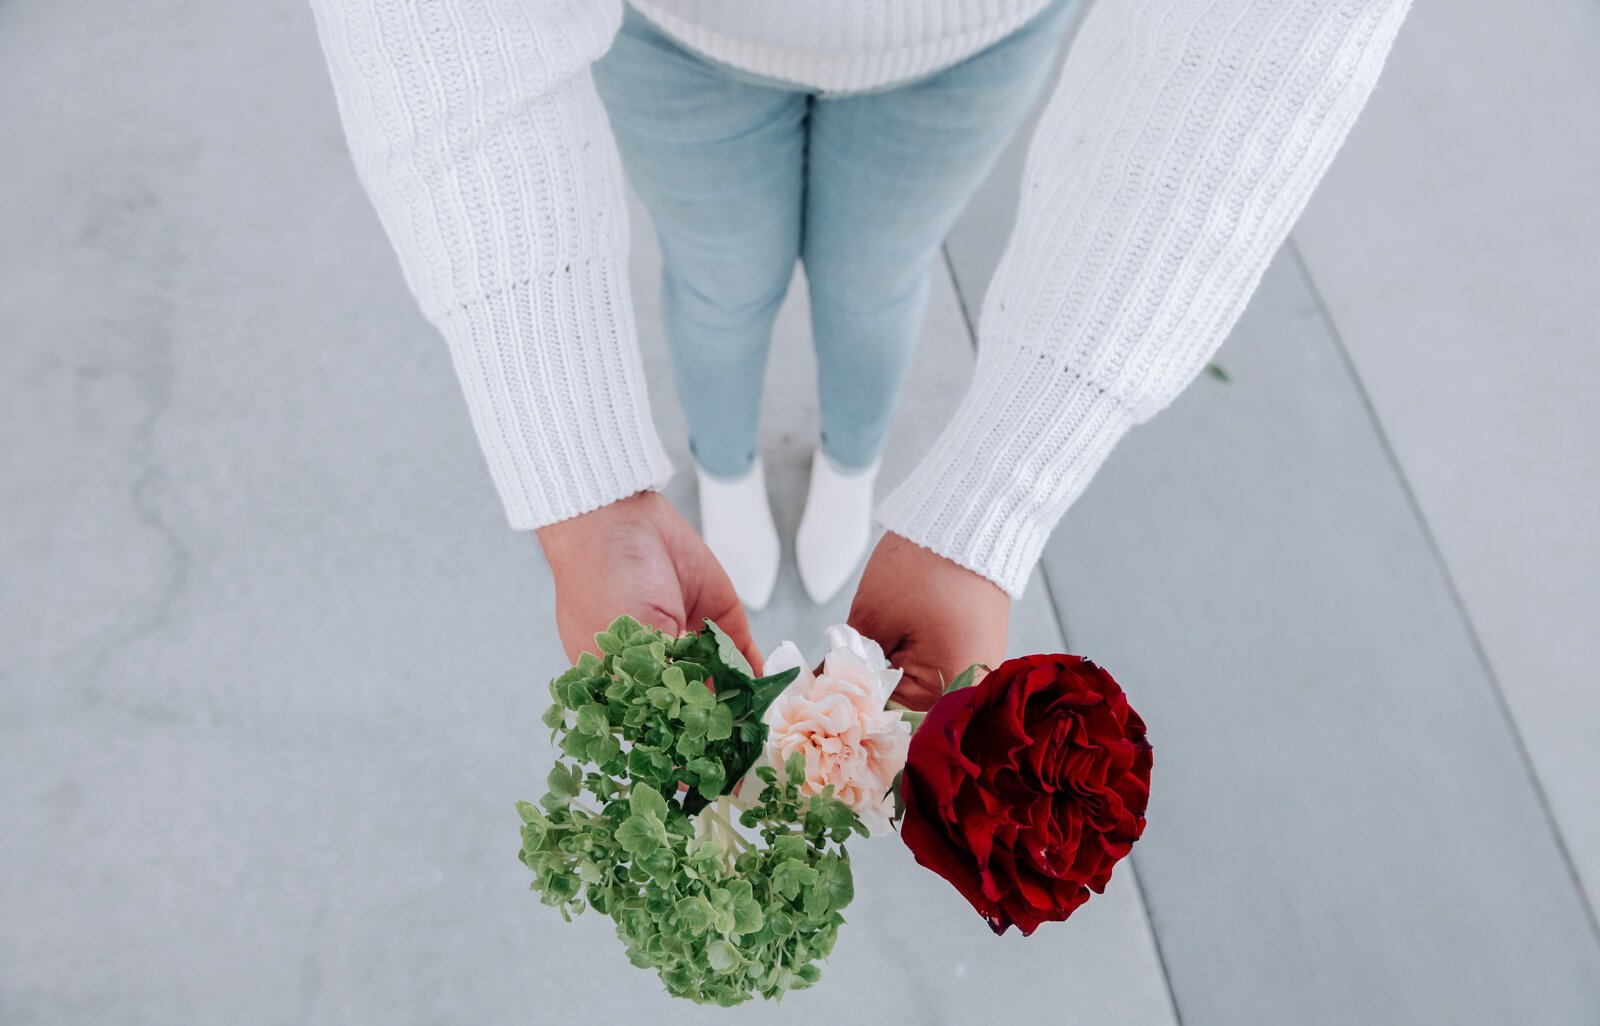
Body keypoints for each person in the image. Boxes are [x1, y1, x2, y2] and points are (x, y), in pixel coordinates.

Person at [309, 0, 1410, 709]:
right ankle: (727, 464)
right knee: (718, 282)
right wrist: (582, 490)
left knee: (875, 279)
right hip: (674, 36)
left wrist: (992, 509)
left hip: (967, 40)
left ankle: (850, 461)